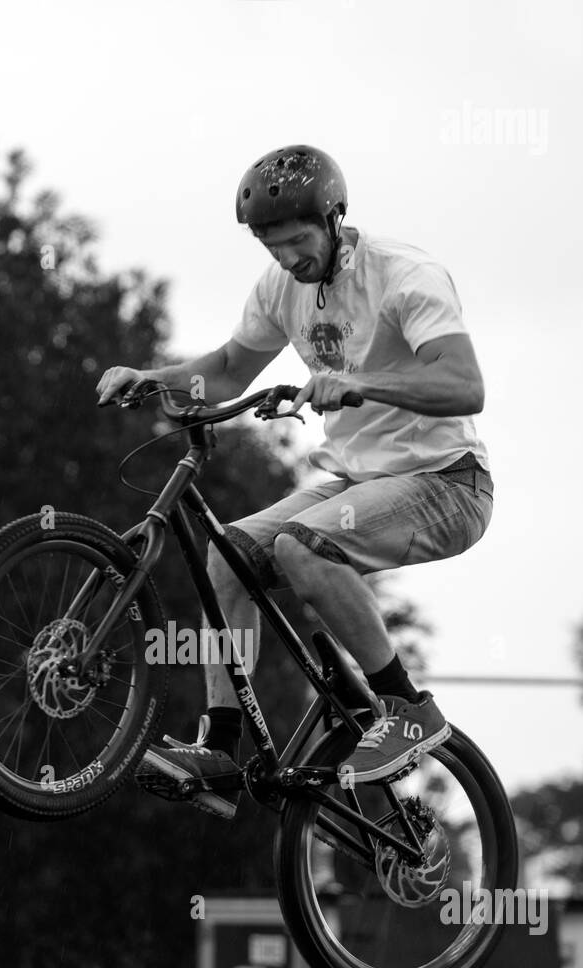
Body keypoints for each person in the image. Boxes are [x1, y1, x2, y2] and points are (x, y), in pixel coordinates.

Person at [96, 144, 494, 819]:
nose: (286, 257)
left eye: (297, 240)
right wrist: (153, 378)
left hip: (447, 483)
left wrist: (360, 383)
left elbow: (464, 385)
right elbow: (224, 370)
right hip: (355, 482)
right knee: (226, 558)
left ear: (335, 219)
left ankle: (405, 708)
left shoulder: (404, 276)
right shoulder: (281, 289)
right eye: (270, 245)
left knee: (301, 546)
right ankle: (219, 752)